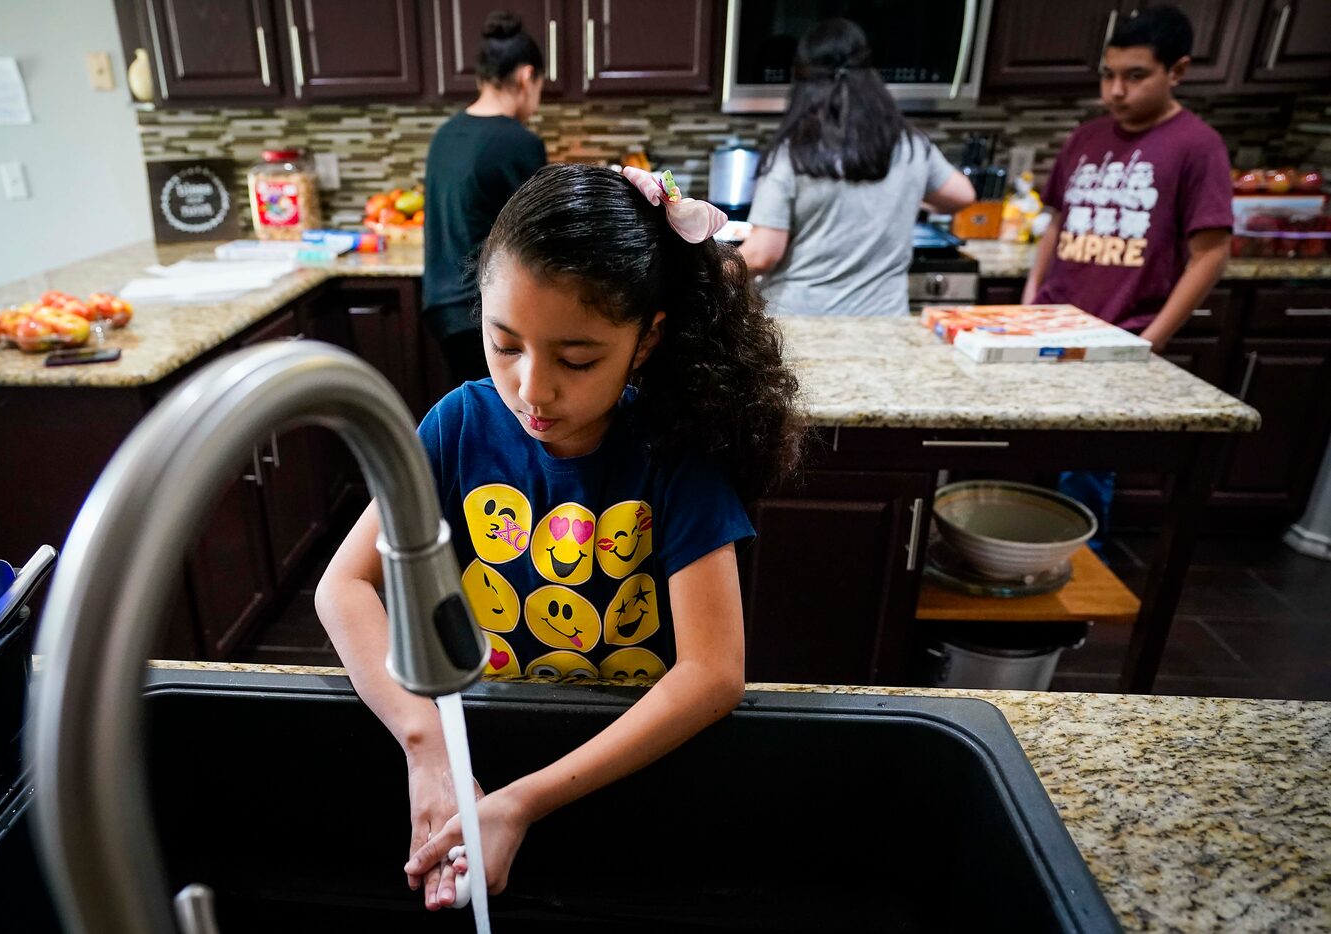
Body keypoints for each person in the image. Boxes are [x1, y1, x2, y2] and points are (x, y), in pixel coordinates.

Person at [315, 163, 804, 909]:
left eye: (577, 359)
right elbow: (343, 586)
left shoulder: (676, 451)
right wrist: (428, 743)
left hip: (630, 759)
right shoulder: (457, 428)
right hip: (489, 733)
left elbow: (711, 673)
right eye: (504, 345)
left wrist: (522, 803)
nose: (532, 389)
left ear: (644, 343)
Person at [1021, 4, 1232, 555]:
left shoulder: (1195, 145)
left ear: (1177, 71)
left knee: (1086, 473)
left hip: (1120, 337)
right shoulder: (1085, 138)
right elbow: (1057, 223)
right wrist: (1028, 301)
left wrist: (1151, 338)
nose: (1116, 90)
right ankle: (1020, 565)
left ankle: (1075, 582)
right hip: (1049, 326)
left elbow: (1212, 253)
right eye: (1109, 75)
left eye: (1135, 76)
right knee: (1024, 459)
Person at [738, 17, 975, 317]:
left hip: (803, 323)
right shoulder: (908, 144)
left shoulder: (795, 152)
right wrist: (906, 192)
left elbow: (762, 254)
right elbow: (962, 195)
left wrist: (710, 270)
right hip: (884, 323)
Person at [423, 11, 547, 383]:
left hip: (441, 308)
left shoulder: (445, 135)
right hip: (488, 308)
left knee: (479, 412)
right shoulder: (519, 142)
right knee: (508, 421)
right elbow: (539, 233)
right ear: (527, 77)